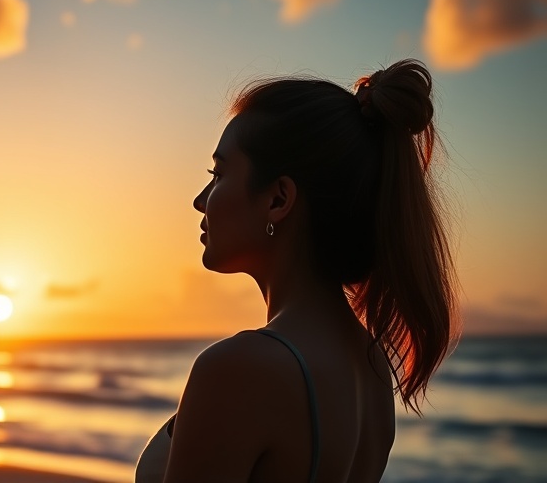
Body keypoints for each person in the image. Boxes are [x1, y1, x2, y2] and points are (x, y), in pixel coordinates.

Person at [135, 59, 459, 483]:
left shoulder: (240, 371)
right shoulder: (374, 370)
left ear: (278, 200)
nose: (201, 200)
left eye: (218, 174)